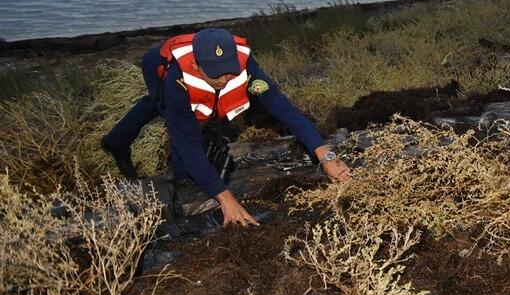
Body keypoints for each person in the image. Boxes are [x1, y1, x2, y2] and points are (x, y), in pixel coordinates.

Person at [101, 28, 351, 226]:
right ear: (197, 67)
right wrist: (225, 197)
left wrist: (325, 154)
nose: (223, 79)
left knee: (180, 109)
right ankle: (117, 144)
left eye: (228, 71)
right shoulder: (178, 79)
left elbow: (285, 110)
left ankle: (117, 140)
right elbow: (186, 143)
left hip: (186, 81)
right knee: (172, 118)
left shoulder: (247, 67)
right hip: (157, 68)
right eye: (216, 74)